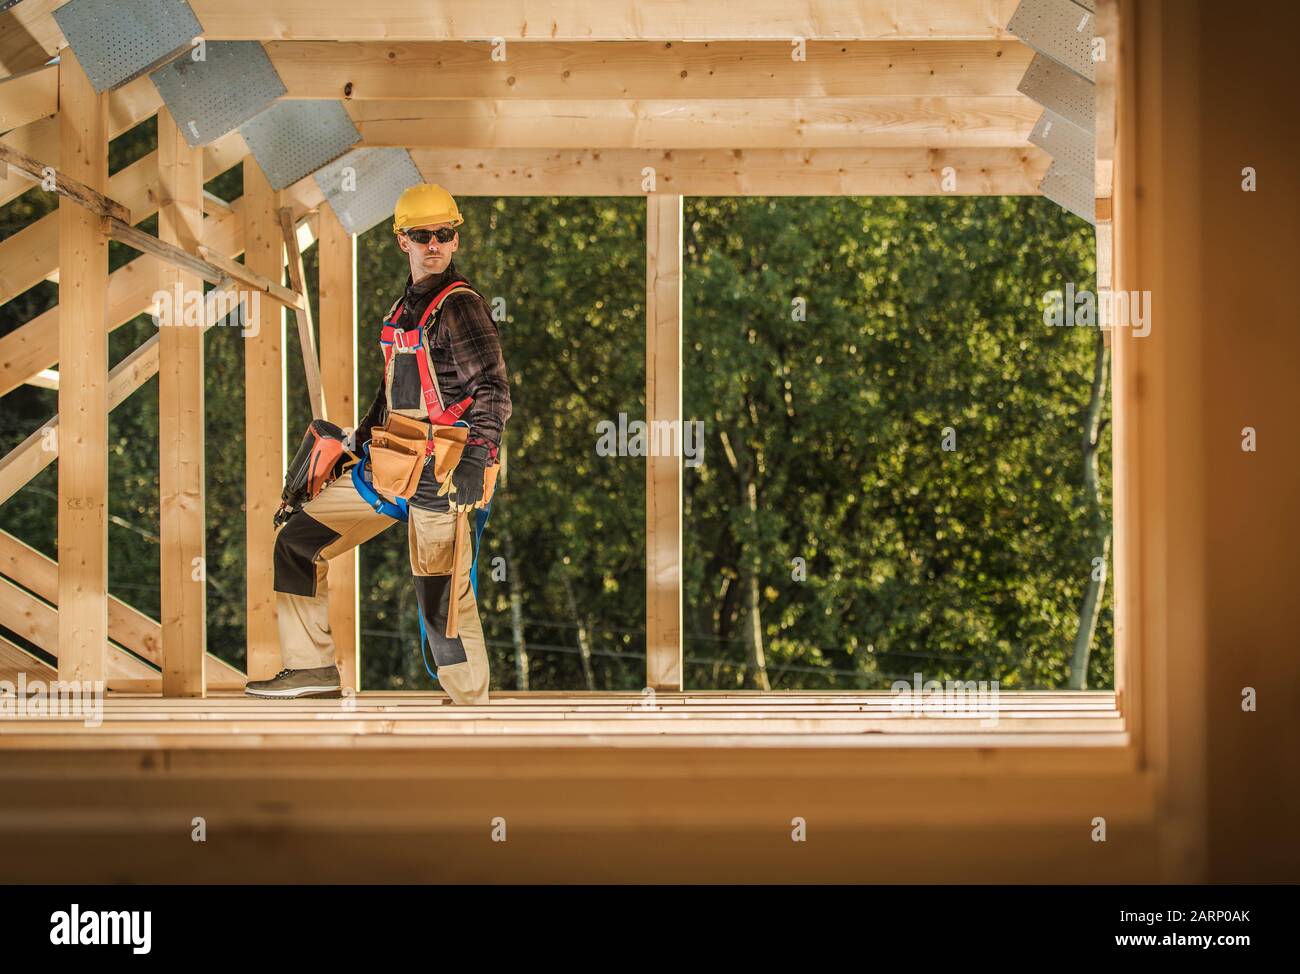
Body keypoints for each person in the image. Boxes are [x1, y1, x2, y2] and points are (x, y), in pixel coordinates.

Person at [245, 183, 512, 703]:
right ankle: (312, 670)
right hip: (388, 468)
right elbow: (389, 392)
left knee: (441, 598)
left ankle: (471, 706)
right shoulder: (402, 310)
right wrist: (356, 443)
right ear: (402, 241)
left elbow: (494, 390)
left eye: (443, 234)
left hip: (442, 475)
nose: (433, 243)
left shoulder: (461, 308)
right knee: (298, 542)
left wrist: (476, 458)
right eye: (421, 235)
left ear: (454, 241)